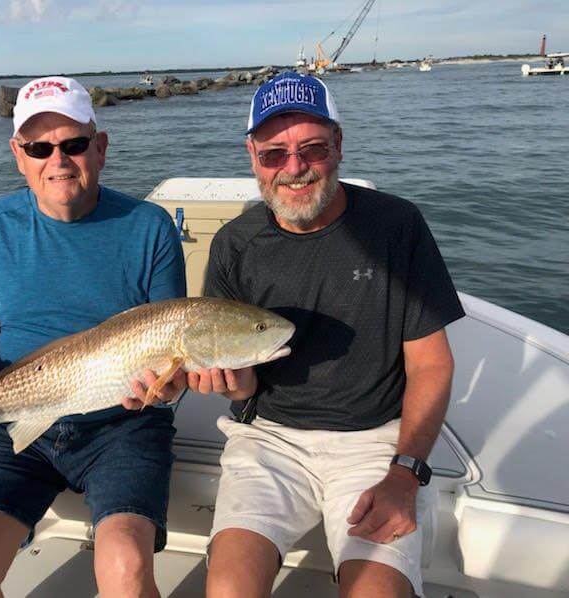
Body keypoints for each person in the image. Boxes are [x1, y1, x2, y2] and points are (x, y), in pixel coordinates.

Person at [191, 72, 465, 598]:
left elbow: (432, 364)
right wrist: (228, 380)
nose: (294, 169)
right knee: (228, 588)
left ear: (338, 145)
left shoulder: (397, 225)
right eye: (274, 154)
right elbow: (243, 389)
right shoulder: (234, 244)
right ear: (253, 157)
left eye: (312, 148)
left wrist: (404, 475)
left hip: (375, 443)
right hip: (267, 441)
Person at [0, 76, 187, 598]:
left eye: (73, 144)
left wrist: (168, 387)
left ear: (101, 147)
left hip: (123, 424)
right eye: (39, 148)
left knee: (126, 566)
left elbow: (171, 352)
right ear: (18, 155)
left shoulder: (150, 226)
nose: (58, 160)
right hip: (16, 419)